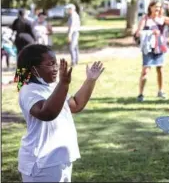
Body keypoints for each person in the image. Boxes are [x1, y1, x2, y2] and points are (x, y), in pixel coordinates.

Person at [14, 44, 105, 182]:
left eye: (56, 63)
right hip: (41, 163)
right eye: (50, 64)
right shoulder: (29, 90)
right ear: (34, 69)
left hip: (59, 158)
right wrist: (63, 83)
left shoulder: (50, 86)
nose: (56, 67)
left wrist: (90, 80)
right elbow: (47, 113)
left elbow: (75, 105)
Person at [134, 0, 169, 102]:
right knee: (145, 70)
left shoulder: (162, 19)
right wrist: (150, 32)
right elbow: (138, 33)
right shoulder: (145, 18)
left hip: (160, 47)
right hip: (148, 48)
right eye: (155, 7)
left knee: (160, 70)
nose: (157, 9)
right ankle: (140, 94)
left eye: (159, 7)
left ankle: (161, 91)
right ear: (150, 8)